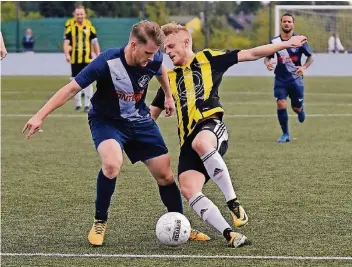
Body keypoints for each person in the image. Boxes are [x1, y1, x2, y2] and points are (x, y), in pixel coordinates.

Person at [22, 20, 209, 247]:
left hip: (140, 121)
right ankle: (100, 221)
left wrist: (168, 95)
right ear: (133, 45)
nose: (152, 57)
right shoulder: (106, 62)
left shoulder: (154, 57)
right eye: (148, 52)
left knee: (165, 176)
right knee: (112, 164)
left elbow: (160, 68)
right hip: (107, 122)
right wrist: (40, 115)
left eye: (154, 53)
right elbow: (71, 88)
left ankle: (181, 224)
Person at [150, 22, 307, 248]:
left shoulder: (209, 58)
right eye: (165, 49)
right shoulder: (170, 80)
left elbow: (251, 53)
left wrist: (286, 43)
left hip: (212, 128)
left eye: (171, 46)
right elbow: (149, 117)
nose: (168, 52)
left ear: (186, 42)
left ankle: (233, 202)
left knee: (201, 143)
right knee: (188, 188)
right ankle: (229, 234)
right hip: (188, 143)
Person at [264, 13, 314, 143]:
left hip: (295, 79)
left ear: (293, 24)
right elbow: (267, 56)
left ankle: (300, 110)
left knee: (296, 107)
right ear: (281, 23)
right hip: (280, 79)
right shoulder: (275, 42)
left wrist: (303, 67)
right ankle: (285, 134)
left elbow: (311, 56)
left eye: (289, 22)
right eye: (284, 21)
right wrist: (267, 63)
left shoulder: (299, 40)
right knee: (281, 103)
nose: (287, 23)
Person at [64, 5, 101, 112]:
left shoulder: (90, 28)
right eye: (78, 14)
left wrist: (98, 55)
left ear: (85, 15)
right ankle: (78, 104)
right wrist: (67, 54)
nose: (79, 16)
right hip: (75, 59)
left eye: (81, 14)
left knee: (88, 81)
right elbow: (66, 43)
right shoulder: (70, 29)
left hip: (87, 59)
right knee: (74, 81)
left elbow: (95, 42)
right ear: (74, 15)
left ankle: (87, 104)